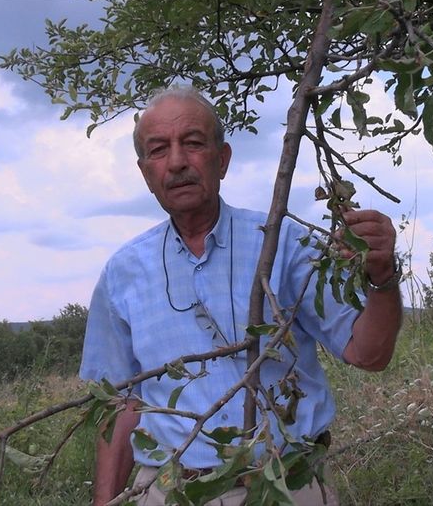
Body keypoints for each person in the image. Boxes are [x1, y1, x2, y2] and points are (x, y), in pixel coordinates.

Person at [79, 86, 402, 506]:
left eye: (193, 143)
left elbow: (369, 354)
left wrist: (382, 275)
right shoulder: (122, 273)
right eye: (159, 149)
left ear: (223, 159)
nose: (176, 162)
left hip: (288, 486)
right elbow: (119, 405)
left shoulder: (285, 243)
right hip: (168, 491)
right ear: (145, 173)